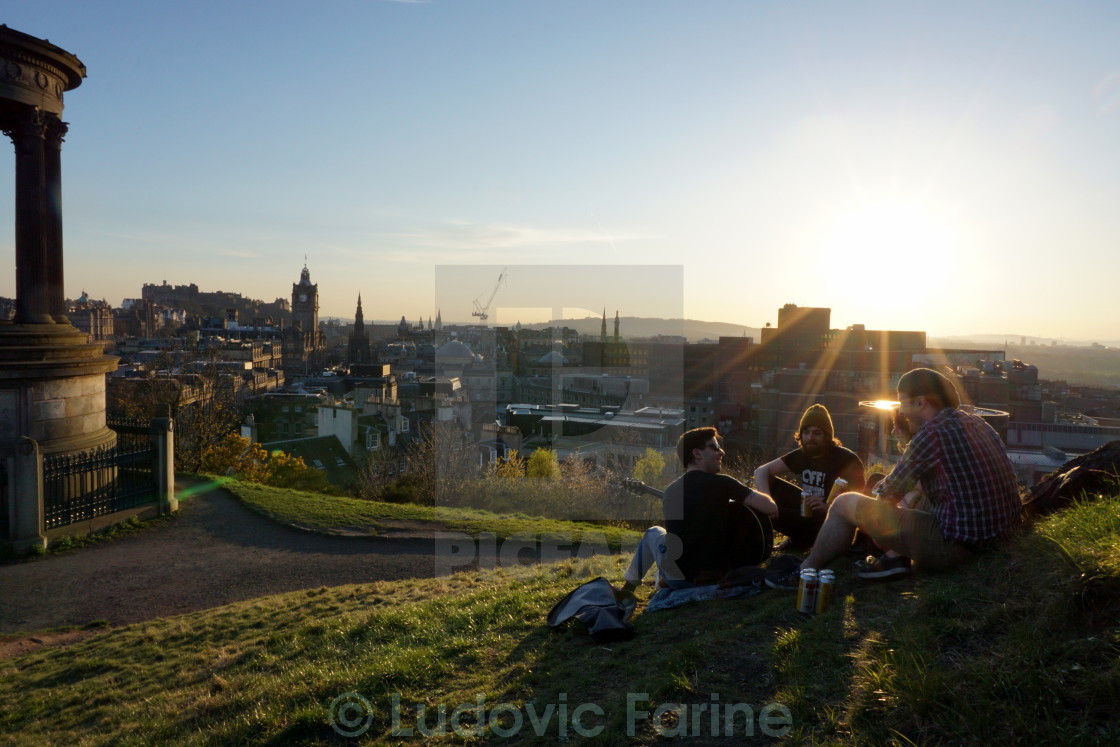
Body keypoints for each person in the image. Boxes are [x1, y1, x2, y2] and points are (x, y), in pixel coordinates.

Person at [767, 368, 1021, 589]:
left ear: (921, 402)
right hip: (999, 536)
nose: (901, 410)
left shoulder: (931, 434)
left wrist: (877, 507)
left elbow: (887, 495)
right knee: (914, 496)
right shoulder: (978, 424)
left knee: (845, 504)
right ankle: (895, 557)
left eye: (903, 402)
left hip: (960, 548)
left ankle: (804, 572)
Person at [616, 427, 778, 600]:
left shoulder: (671, 491)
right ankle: (658, 580)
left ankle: (628, 588)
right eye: (715, 448)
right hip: (717, 577)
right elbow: (771, 508)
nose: (722, 452)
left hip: (679, 579)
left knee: (653, 533)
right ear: (697, 454)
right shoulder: (723, 483)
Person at [753, 404, 866, 552]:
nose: (810, 438)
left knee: (757, 511)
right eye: (806, 432)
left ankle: (800, 541)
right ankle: (797, 540)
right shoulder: (803, 455)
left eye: (817, 433)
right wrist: (767, 501)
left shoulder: (847, 460)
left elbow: (860, 507)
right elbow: (761, 471)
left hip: (829, 523)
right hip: (807, 513)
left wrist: (828, 508)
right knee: (763, 490)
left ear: (827, 435)